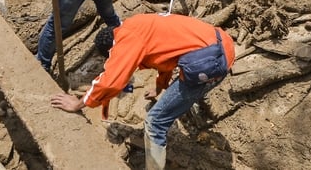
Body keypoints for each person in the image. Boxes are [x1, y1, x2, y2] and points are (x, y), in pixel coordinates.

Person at [51, 13, 236, 170]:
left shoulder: (126, 40)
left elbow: (111, 82)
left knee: (155, 122)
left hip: (212, 62)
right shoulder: (137, 24)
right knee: (167, 105)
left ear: (112, 49)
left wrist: (78, 103)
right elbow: (167, 55)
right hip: (219, 45)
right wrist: (159, 86)